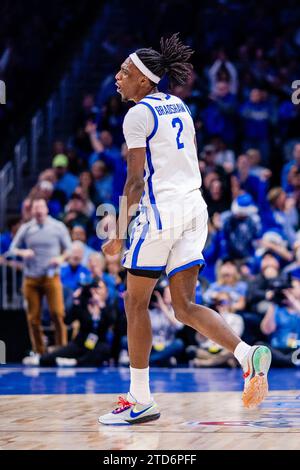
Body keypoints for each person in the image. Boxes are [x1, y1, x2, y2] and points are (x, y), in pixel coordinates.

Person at [98, 34, 271, 426]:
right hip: (195, 209)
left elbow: (135, 182)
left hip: (163, 212)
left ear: (144, 79)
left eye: (124, 72)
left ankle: (140, 399)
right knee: (183, 307)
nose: (117, 77)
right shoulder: (178, 105)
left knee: (134, 303)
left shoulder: (137, 115)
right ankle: (246, 355)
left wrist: (120, 230)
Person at [10, 198, 72, 356]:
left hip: (51, 276)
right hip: (31, 277)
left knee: (57, 313)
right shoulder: (26, 228)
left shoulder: (58, 227)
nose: (38, 211)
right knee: (33, 318)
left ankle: (61, 349)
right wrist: (23, 252)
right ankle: (40, 352)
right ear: (32, 212)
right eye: (35, 208)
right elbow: (13, 249)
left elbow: (69, 249)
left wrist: (60, 258)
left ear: (46, 209)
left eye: (40, 207)